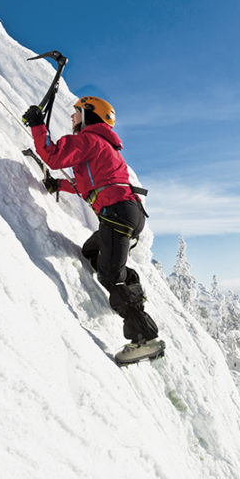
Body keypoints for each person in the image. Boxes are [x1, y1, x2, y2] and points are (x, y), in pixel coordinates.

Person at [22, 97, 163, 365]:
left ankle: (145, 339)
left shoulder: (89, 140)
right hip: (126, 211)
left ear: (90, 114)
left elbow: (53, 156)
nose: (72, 116)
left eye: (76, 112)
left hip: (117, 213)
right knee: (91, 252)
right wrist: (58, 186)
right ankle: (132, 293)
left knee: (110, 275)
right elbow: (87, 186)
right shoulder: (101, 145)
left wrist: (38, 125)